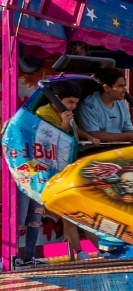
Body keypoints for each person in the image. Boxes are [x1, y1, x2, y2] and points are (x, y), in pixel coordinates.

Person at [19, 81, 83, 265]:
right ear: (56, 99)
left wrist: (89, 136)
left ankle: (29, 256)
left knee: (36, 218)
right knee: (20, 218)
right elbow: (53, 142)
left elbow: (74, 133)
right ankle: (9, 256)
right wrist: (65, 124)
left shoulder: (65, 114)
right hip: (29, 173)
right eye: (70, 102)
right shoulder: (43, 114)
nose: (73, 106)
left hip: (44, 175)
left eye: (75, 103)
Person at [77, 69, 133, 148]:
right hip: (94, 150)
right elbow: (94, 134)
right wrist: (129, 136)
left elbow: (127, 129)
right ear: (106, 88)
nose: (125, 89)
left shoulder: (122, 104)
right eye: (120, 86)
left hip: (118, 148)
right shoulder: (88, 106)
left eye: (124, 86)